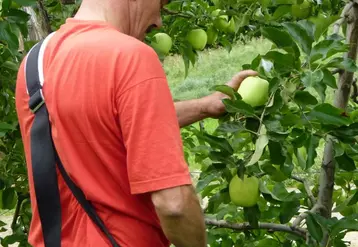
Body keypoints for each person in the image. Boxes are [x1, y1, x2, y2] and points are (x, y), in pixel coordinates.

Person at [15, 0, 258, 246]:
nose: (159, 21)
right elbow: (174, 205)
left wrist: (205, 106)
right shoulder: (130, 57)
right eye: (161, 5)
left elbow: (108, 121)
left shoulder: (35, 64)